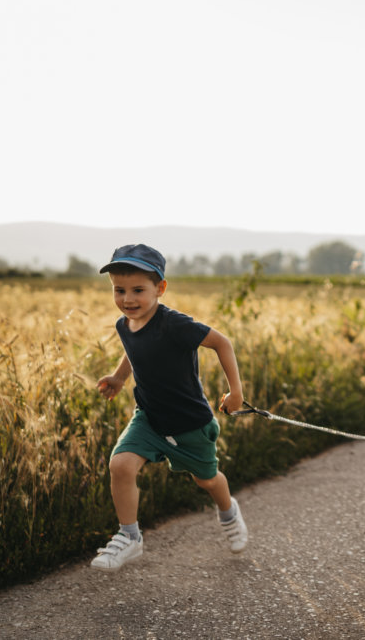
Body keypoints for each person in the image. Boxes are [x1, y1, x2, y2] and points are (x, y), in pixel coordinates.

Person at [92, 243, 249, 570]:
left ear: (160, 288)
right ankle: (130, 536)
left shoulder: (174, 324)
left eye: (138, 290)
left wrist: (236, 392)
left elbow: (222, 342)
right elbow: (135, 352)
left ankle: (228, 512)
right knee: (120, 465)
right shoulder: (124, 325)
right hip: (149, 418)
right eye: (119, 290)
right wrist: (120, 378)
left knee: (206, 481)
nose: (127, 299)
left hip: (189, 423)